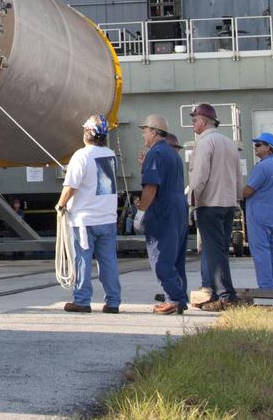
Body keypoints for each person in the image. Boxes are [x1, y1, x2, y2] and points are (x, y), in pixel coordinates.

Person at [56, 114, 122, 314]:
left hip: (85, 220)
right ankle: (113, 302)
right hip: (108, 218)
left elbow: (71, 187)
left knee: (83, 259)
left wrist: (60, 205)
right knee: (108, 261)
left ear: (88, 133)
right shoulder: (110, 155)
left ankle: (82, 300)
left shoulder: (81, 156)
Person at [187, 102, 242, 311]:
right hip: (228, 203)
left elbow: (199, 175)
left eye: (194, 120)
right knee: (220, 250)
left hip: (209, 203)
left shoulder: (204, 143)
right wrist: (236, 197)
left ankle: (226, 295)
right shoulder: (229, 143)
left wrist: (193, 200)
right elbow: (238, 176)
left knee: (213, 249)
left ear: (203, 121)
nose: (193, 123)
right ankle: (211, 289)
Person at [135, 114, 189, 314]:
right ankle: (179, 298)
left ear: (154, 132)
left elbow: (151, 187)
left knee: (161, 258)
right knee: (176, 258)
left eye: (145, 131)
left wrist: (141, 212)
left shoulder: (155, 153)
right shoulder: (172, 154)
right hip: (178, 208)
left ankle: (174, 299)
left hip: (163, 211)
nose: (143, 136)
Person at [241, 133, 273, 290]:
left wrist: (235, 191)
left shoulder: (263, 167)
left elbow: (248, 191)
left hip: (259, 215)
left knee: (261, 253)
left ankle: (266, 288)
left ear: (268, 147)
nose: (255, 147)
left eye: (258, 145)